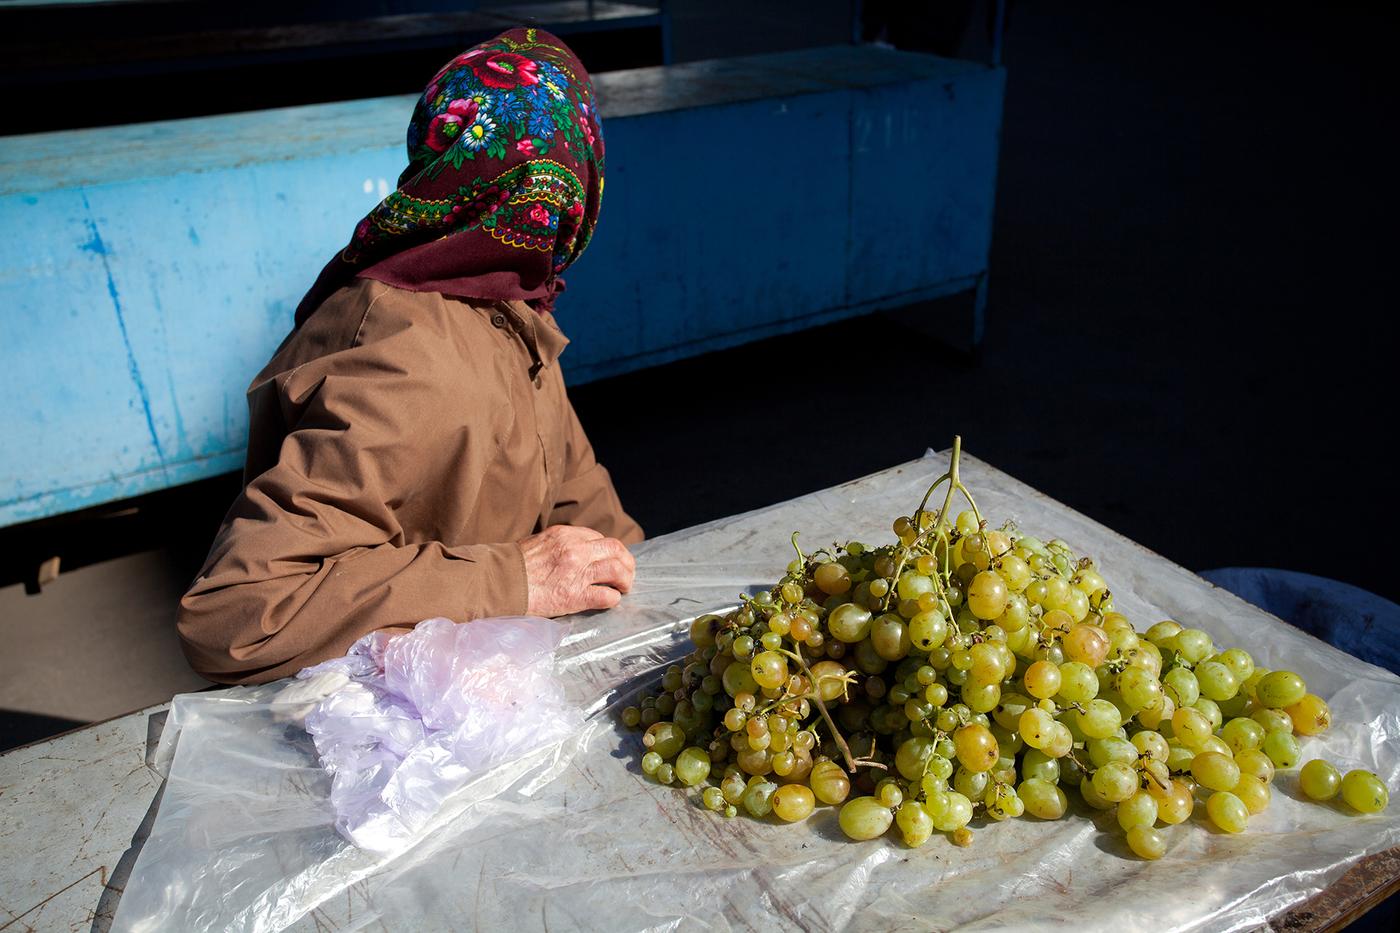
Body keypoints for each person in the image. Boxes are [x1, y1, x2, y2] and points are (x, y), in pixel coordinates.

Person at [178, 28, 642, 685]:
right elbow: (240, 611)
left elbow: (587, 510)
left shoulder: (515, 309)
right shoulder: (406, 352)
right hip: (384, 749)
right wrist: (517, 577)